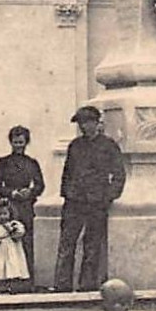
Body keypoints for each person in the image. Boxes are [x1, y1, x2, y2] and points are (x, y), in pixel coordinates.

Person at [54, 106, 128, 293]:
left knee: (92, 245)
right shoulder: (75, 146)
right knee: (66, 243)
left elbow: (119, 174)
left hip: (97, 202)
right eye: (81, 123)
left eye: (87, 122)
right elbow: (67, 172)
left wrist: (108, 196)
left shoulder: (108, 145)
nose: (84, 127)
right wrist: (67, 194)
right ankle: (62, 285)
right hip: (74, 202)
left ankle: (87, 285)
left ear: (96, 123)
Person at [0, 126, 46, 287]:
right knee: (4, 243)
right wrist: (12, 193)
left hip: (26, 207)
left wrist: (30, 192)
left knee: (26, 242)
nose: (18, 146)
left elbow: (40, 185)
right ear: (11, 142)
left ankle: (26, 282)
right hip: (7, 208)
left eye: (21, 142)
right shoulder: (3, 162)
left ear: (26, 143)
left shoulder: (32, 163)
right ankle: (3, 281)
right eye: (15, 142)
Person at [0, 198, 30, 294]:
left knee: (12, 269)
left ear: (10, 214)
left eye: (5, 214)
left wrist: (11, 229)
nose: (2, 217)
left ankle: (12, 287)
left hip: (12, 252)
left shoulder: (15, 224)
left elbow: (20, 233)